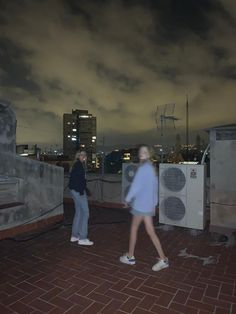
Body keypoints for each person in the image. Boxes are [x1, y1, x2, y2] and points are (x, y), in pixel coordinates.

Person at [119, 145, 169, 271]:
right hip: (148, 205)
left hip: (141, 205)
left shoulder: (143, 168)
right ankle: (163, 259)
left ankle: (130, 256)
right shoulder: (152, 168)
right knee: (151, 232)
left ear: (148, 155)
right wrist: (154, 203)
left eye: (144, 152)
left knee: (134, 229)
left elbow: (136, 186)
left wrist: (127, 199)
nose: (142, 153)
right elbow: (154, 187)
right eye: (141, 151)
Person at [69, 150, 93, 246]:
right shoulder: (79, 165)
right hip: (78, 191)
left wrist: (85, 190)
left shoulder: (76, 165)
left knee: (79, 212)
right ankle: (82, 237)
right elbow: (78, 181)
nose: (85, 156)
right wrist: (82, 192)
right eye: (82, 155)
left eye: (85, 155)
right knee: (85, 213)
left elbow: (78, 180)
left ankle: (75, 236)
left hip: (74, 191)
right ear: (79, 156)